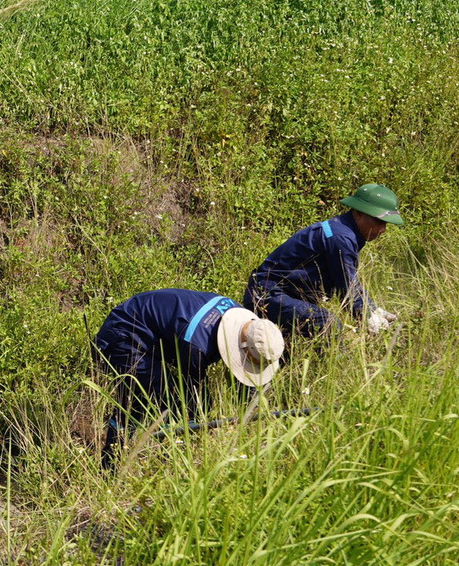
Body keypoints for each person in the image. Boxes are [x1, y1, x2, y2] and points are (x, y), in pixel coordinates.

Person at [92, 291, 285, 467]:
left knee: (166, 400)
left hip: (145, 326)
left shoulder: (236, 311)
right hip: (123, 334)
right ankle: (132, 465)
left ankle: (134, 461)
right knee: (163, 401)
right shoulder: (198, 348)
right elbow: (193, 396)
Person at [243, 184, 404, 340]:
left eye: (385, 224)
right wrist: (368, 316)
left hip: (284, 295)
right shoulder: (341, 238)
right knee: (328, 324)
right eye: (378, 221)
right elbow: (347, 291)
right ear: (358, 214)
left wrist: (374, 309)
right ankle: (340, 366)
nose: (383, 229)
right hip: (267, 294)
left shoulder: (343, 230)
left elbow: (350, 282)